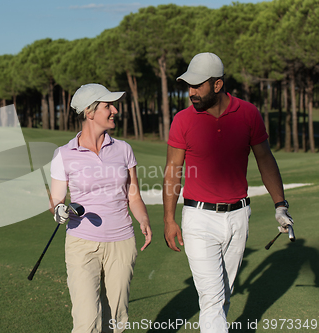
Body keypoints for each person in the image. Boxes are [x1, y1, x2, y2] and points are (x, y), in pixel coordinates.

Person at [162, 52, 294, 333]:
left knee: (222, 296)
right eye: (189, 85)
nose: (191, 92)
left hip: (238, 217)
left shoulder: (248, 113)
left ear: (218, 85)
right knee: (211, 299)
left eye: (198, 85)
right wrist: (169, 219)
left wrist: (280, 205)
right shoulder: (183, 120)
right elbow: (173, 169)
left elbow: (265, 160)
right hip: (198, 219)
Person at [49, 83, 152, 333]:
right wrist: (59, 210)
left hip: (122, 242)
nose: (115, 110)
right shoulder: (63, 154)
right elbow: (56, 199)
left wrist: (144, 220)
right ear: (90, 111)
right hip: (82, 243)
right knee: (87, 322)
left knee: (115, 321)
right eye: (108, 106)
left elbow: (133, 195)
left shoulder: (123, 149)